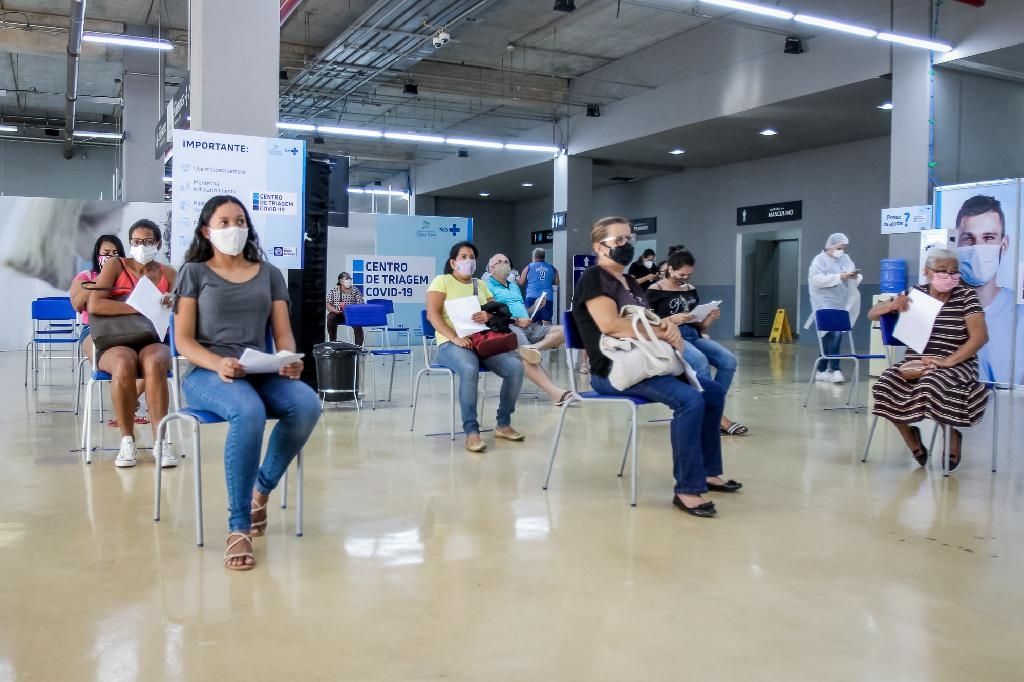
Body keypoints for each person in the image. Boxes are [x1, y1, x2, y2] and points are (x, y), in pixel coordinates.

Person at [173, 195, 321, 571]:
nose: (234, 228)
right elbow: (184, 341)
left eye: (239, 221)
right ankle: (238, 526)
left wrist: (288, 359)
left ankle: (261, 491)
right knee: (248, 411)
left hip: (259, 370)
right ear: (206, 231)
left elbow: (283, 334)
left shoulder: (269, 274)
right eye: (224, 222)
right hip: (208, 373)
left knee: (307, 404)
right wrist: (218, 363)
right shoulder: (193, 273)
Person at [573, 217, 741, 518]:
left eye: (629, 239)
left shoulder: (630, 282)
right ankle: (687, 489)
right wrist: (662, 332)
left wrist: (668, 327)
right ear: (599, 247)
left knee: (713, 392)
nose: (627, 245)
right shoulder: (594, 278)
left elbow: (646, 321)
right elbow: (611, 325)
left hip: (645, 362)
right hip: (614, 369)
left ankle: (707, 472)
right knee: (690, 400)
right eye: (619, 240)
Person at [868, 249, 988, 472]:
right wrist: (892, 304)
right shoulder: (915, 293)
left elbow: (979, 337)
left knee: (931, 383)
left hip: (958, 363)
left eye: (954, 272)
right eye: (942, 270)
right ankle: (911, 437)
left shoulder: (966, 296)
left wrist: (948, 361)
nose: (949, 276)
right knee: (884, 384)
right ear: (927, 272)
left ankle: (951, 434)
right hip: (916, 362)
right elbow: (872, 313)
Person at [87, 220, 177, 469]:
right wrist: (138, 307)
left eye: (147, 242)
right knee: (123, 362)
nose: (141, 247)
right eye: (136, 242)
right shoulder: (116, 265)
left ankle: (161, 442)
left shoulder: (169, 274)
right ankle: (127, 440)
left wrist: (174, 301)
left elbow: (184, 307)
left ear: (158, 244)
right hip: (116, 340)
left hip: (154, 339)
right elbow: (95, 304)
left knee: (155, 361)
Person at [427, 241, 525, 453]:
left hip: (482, 341)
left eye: (472, 257)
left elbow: (499, 311)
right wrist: (454, 338)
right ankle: (471, 431)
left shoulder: (481, 285)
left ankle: (503, 423)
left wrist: (488, 315)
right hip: (450, 344)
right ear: (453, 262)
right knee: (469, 369)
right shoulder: (442, 281)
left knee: (516, 368)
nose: (468, 261)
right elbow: (432, 315)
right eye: (463, 257)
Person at [647, 249, 747, 436]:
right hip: (670, 336)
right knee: (699, 361)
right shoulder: (654, 291)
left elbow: (700, 326)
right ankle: (715, 417)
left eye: (689, 275)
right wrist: (672, 319)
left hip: (693, 334)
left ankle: (713, 409)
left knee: (728, 360)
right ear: (670, 269)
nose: (684, 279)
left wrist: (709, 318)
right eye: (681, 275)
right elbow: (649, 324)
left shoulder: (690, 290)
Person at [70, 234, 150, 428]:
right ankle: (129, 406)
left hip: (130, 329)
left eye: (115, 253)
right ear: (97, 255)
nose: (111, 257)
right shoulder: (86, 276)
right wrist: (103, 282)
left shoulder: (131, 276)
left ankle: (127, 404)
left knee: (152, 361)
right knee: (114, 365)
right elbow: (77, 303)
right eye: (106, 253)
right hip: (93, 331)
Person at [484, 253, 573, 406]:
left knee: (566, 331)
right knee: (527, 357)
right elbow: (491, 314)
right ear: (490, 268)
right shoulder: (486, 286)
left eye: (506, 261)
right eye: (499, 262)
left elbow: (523, 311)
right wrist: (516, 320)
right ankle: (556, 394)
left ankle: (534, 347)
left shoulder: (514, 286)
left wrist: (535, 307)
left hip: (528, 325)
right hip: (507, 327)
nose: (504, 264)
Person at [953, 194, 1024, 385]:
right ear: (956, 244)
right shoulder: (943, 308)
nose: (978, 248)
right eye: (968, 239)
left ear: (1004, 245)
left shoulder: (1019, 314)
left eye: (988, 238)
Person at [806, 232, 862, 383]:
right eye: (839, 247)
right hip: (823, 302)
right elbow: (816, 280)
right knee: (835, 333)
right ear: (831, 246)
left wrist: (854, 276)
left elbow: (852, 272)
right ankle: (836, 369)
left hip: (840, 302)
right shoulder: (819, 261)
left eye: (843, 248)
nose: (841, 251)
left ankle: (821, 369)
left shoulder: (845, 259)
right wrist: (838, 277)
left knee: (828, 335)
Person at [518, 247, 558, 324]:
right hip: (547, 298)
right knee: (547, 321)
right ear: (544, 256)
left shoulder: (528, 267)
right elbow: (556, 282)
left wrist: (516, 279)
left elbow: (521, 282)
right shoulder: (552, 268)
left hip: (532, 297)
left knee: (530, 321)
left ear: (534, 256)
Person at [326, 271, 365, 344]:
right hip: (338, 314)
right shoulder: (334, 291)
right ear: (341, 281)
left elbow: (361, 304)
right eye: (347, 278)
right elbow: (328, 304)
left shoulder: (355, 290)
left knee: (358, 323)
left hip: (351, 314)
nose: (349, 280)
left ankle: (358, 347)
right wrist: (335, 310)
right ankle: (333, 342)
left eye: (350, 278)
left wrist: (351, 309)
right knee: (330, 317)